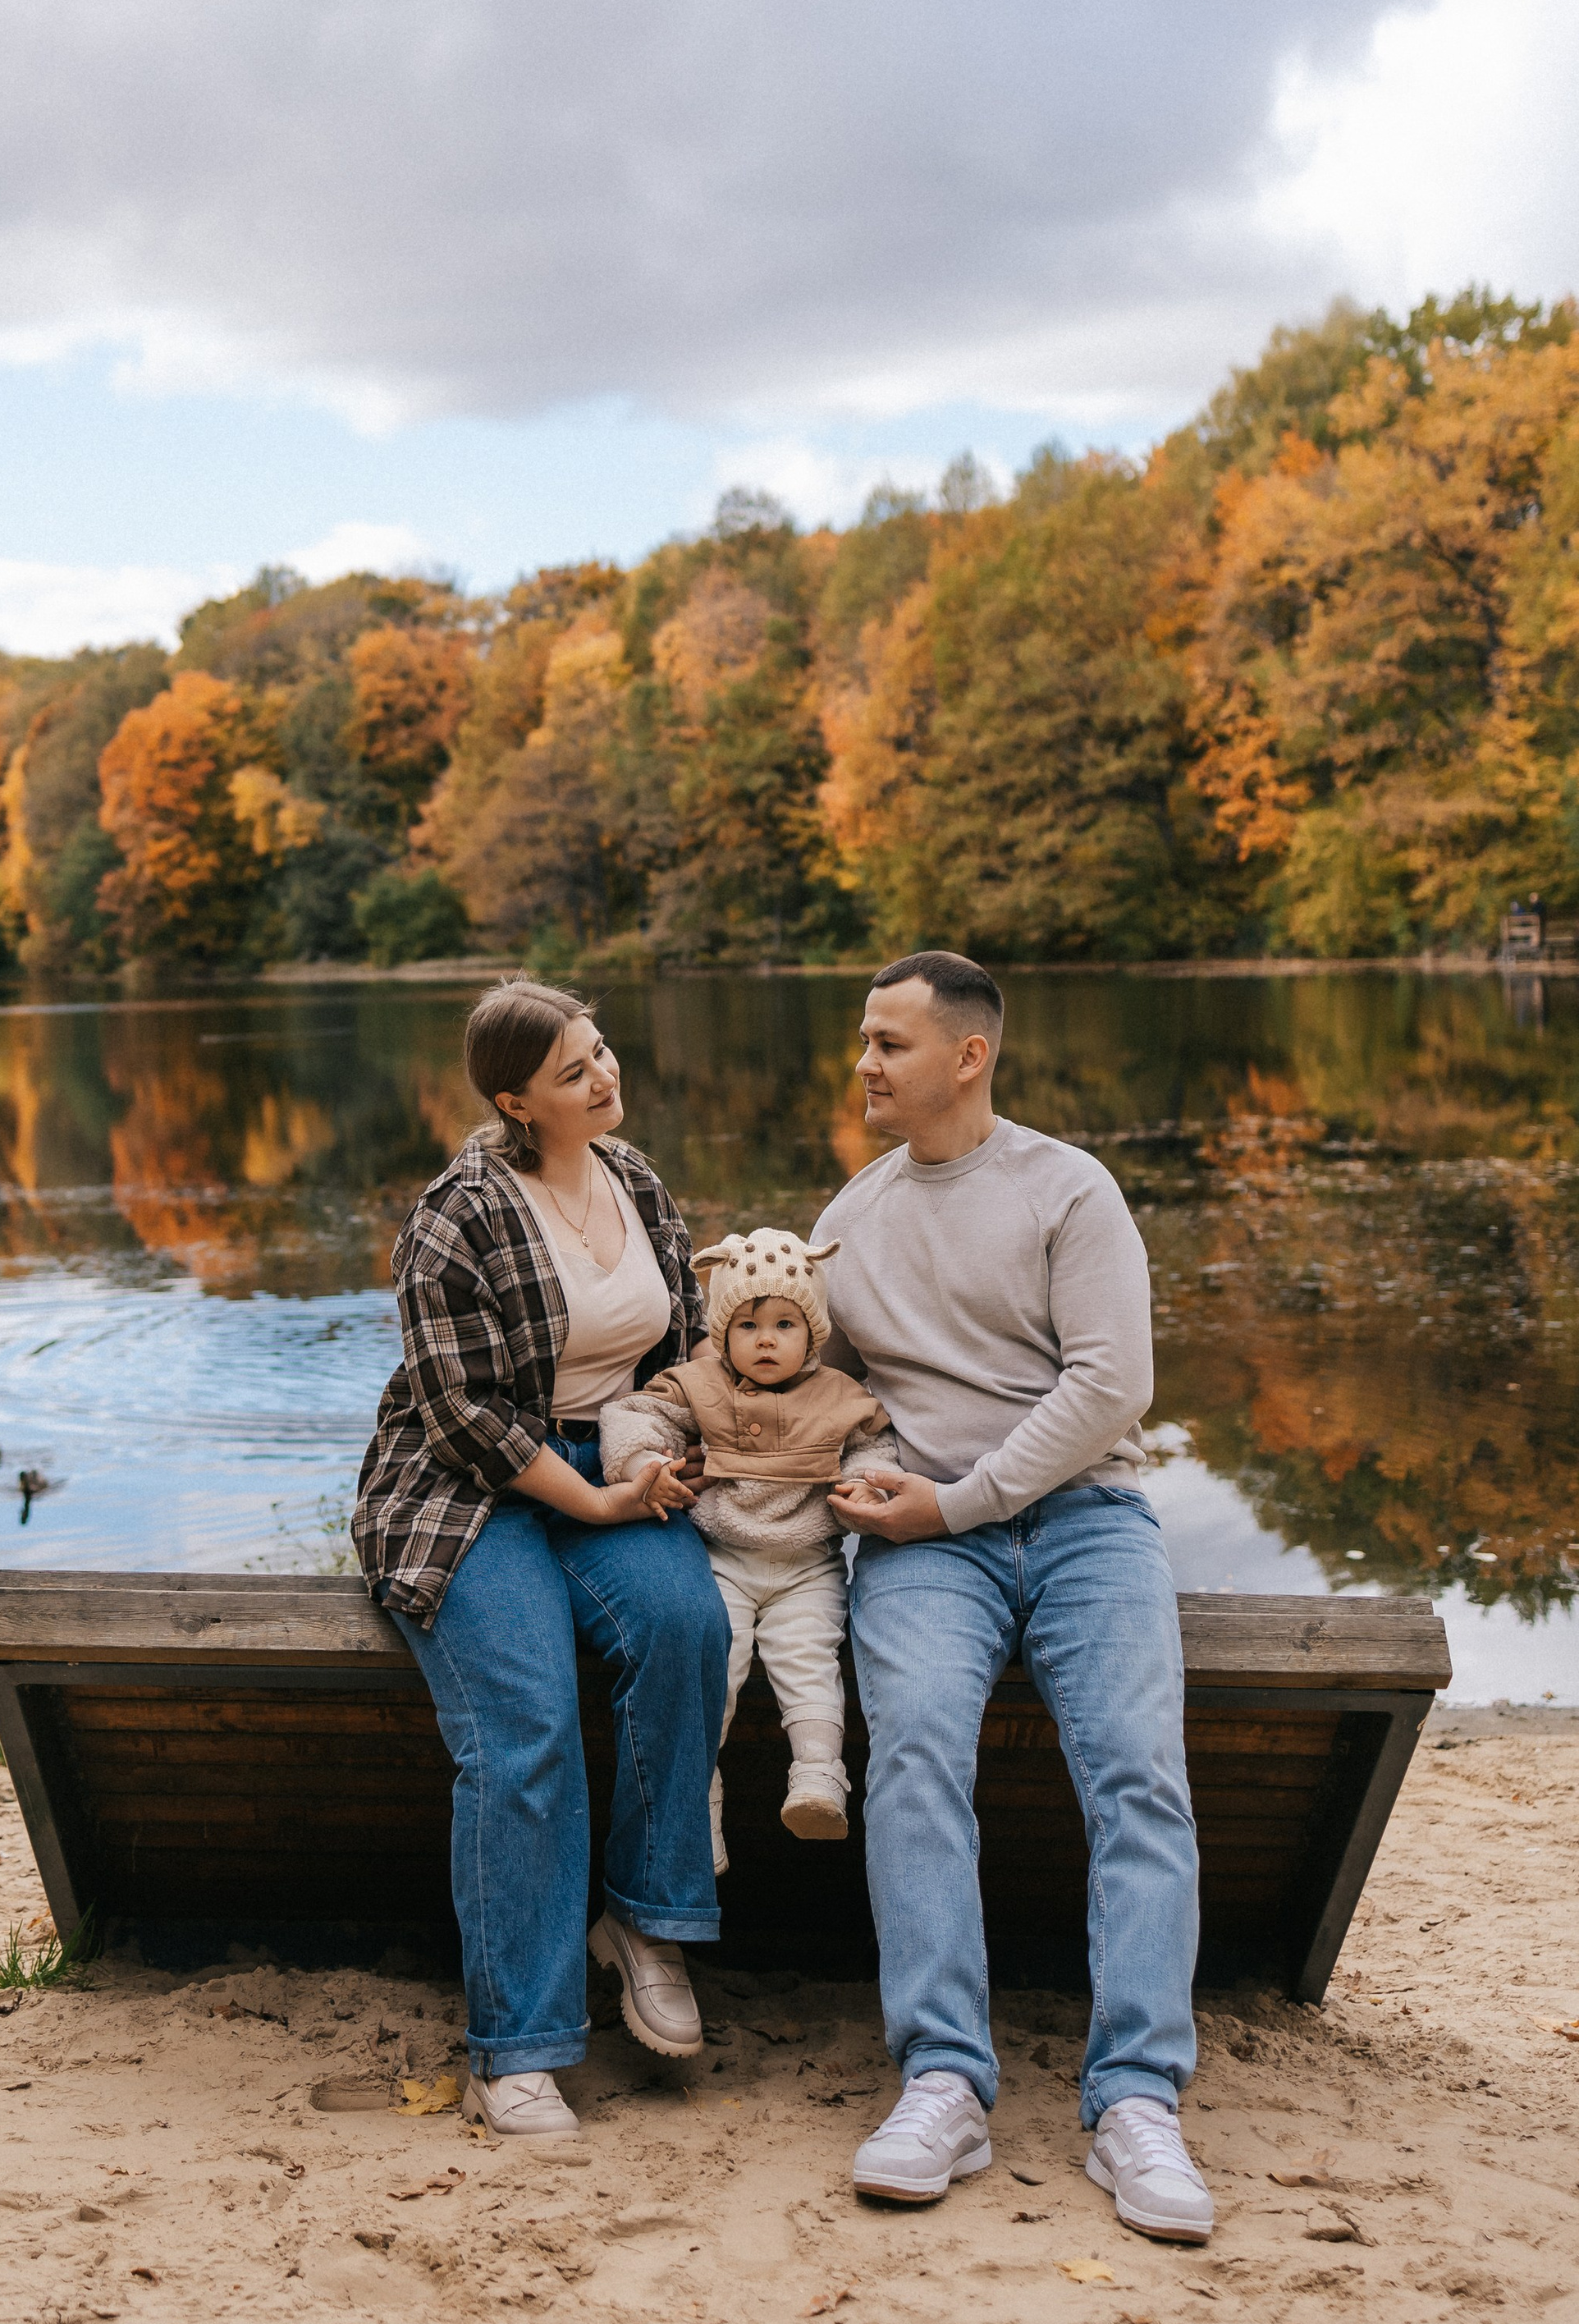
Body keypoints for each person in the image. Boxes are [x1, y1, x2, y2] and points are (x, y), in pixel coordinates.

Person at [816, 950, 1214, 2245]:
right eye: (865, 1042)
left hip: (1087, 1521)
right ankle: (945, 2081)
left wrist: (959, 1496)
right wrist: (875, 1473)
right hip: (927, 1548)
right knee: (916, 1757)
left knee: (1141, 1771)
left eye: (889, 1043)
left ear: (968, 1056)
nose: (864, 1064)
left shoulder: (1068, 1189)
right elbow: (828, 1402)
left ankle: (1137, 2101)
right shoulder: (847, 1224)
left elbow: (1110, 1390)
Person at [351, 977, 729, 2137]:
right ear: (518, 1100)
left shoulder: (634, 1178)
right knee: (526, 1721)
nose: (605, 1075)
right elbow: (459, 1410)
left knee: (686, 1629)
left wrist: (675, 1452)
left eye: (603, 1050)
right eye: (575, 1071)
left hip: (619, 1456)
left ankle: (648, 1923)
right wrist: (597, 1505)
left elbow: (688, 1344)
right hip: (474, 1488)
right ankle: (516, 2047)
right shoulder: (458, 1212)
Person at [600, 1226, 895, 1855]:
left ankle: (818, 1778)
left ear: (813, 1333)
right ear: (722, 1332)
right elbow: (634, 1414)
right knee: (717, 1672)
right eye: (748, 1325)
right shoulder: (700, 1384)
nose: (766, 1340)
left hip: (807, 1565)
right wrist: (643, 1466)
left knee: (809, 1660)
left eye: (786, 1325)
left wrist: (869, 1488)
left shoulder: (842, 1396)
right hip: (723, 1559)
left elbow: (875, 1445)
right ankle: (699, 1808)